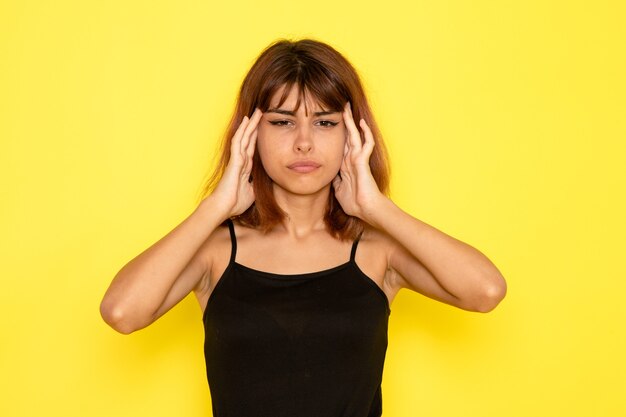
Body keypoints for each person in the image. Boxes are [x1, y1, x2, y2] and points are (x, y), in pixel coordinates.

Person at [100, 38, 507, 417]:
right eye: (282, 122)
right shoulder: (216, 251)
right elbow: (122, 312)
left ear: (353, 135)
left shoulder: (377, 250)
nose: (304, 143)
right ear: (250, 134)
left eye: (326, 123)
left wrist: (378, 209)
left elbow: (485, 291)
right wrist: (216, 206)